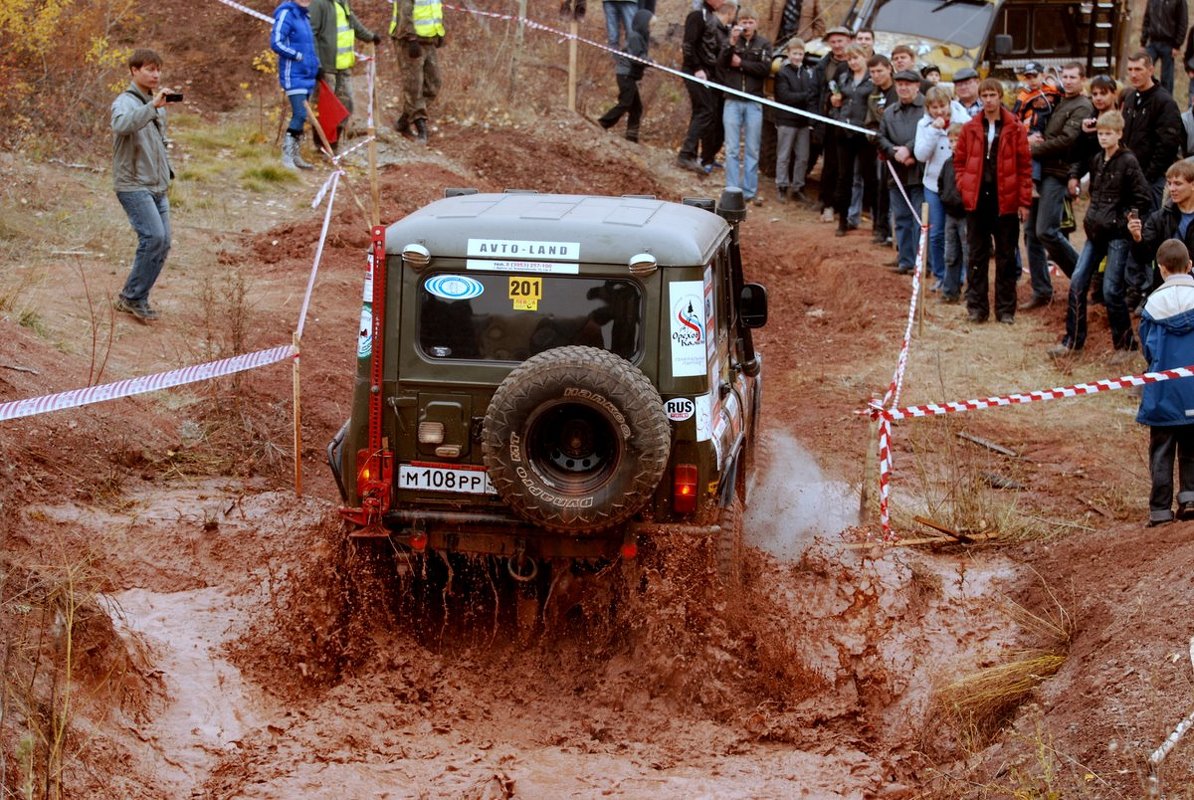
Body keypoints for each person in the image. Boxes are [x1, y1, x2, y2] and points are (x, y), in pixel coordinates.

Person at [1047, 111, 1151, 358]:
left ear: (1119, 134)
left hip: (1117, 234)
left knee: (1112, 289)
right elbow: (1092, 188)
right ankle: (1072, 341)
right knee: (1077, 282)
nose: (1104, 138)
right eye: (1101, 133)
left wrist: (1122, 219)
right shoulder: (1096, 160)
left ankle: (1126, 345)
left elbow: (1143, 198)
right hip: (1095, 232)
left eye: (1109, 134)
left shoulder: (1128, 162)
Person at [955, 78, 1032, 324]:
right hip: (977, 200)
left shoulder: (1015, 127)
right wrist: (963, 185)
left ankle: (1006, 309)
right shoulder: (970, 128)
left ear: (1000, 96)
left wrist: (1024, 201)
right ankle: (977, 308)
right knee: (976, 255)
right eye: (984, 95)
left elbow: (1024, 166)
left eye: (992, 95)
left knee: (1006, 256)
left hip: (1005, 199)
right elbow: (959, 161)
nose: (988, 100)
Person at [111, 48, 178, 323]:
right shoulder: (125, 102)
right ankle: (131, 297)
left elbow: (158, 144)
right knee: (154, 238)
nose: (156, 74)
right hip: (133, 184)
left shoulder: (156, 104)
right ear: (134, 71)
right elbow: (121, 125)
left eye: (158, 69)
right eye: (149, 69)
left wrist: (167, 173)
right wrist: (151, 108)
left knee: (162, 243)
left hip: (156, 185)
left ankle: (138, 297)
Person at [1022, 62, 1093, 310]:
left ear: (1083, 79)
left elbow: (1067, 140)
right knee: (1031, 233)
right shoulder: (1059, 99)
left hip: (1057, 172)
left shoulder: (1083, 105)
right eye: (1065, 76)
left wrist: (1034, 147)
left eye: (1074, 76)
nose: (1069, 80)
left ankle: (1084, 276)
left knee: (1047, 230)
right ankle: (1041, 290)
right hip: (1041, 170)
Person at [1135, 238, 1194, 526]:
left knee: (1161, 450)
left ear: (1161, 270)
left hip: (1162, 391)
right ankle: (1191, 496)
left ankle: (1160, 510)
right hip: (1193, 390)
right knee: (1192, 445)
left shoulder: (1152, 306)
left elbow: (1148, 347)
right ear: (1191, 266)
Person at [1123, 49, 1184, 305]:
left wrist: (1147, 178)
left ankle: (1148, 290)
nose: (1134, 74)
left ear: (1150, 69)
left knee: (1150, 233)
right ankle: (1133, 288)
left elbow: (1168, 144)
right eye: (1130, 70)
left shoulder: (1164, 102)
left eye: (1139, 69)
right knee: (1132, 233)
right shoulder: (1129, 98)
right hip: (1129, 180)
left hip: (1151, 180)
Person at [309, 0, 379, 148]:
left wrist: (370, 36)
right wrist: (316, 63)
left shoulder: (341, 2)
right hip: (326, 66)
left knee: (346, 106)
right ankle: (322, 146)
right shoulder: (319, 4)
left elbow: (351, 22)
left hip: (343, 66)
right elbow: (311, 34)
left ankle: (333, 144)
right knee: (325, 108)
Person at [717, 7, 771, 204]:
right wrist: (731, 43)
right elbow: (721, 63)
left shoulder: (764, 43)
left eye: (750, 22)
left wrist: (741, 64)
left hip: (754, 100)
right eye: (743, 21)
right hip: (732, 99)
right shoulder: (731, 41)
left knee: (752, 148)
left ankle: (749, 190)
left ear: (756, 23)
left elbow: (764, 69)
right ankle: (732, 188)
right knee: (731, 147)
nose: (746, 26)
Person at [878, 69, 925, 274]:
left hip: (920, 173)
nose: (903, 88)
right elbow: (880, 136)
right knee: (901, 218)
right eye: (900, 84)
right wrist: (892, 151)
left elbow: (930, 131)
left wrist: (909, 149)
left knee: (919, 220)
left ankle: (921, 263)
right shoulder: (889, 112)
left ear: (917, 86)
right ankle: (905, 260)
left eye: (908, 84)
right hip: (896, 174)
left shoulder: (926, 109)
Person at [1129, 160, 1194, 292]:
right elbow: (1144, 257)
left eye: (1178, 184)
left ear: (1192, 185)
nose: (1172, 189)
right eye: (1169, 184)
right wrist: (1137, 238)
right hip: (1166, 289)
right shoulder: (1159, 218)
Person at [677, 0, 726, 173]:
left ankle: (690, 154)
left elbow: (711, 46)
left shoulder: (711, 16)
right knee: (705, 110)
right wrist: (697, 68)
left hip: (707, 71)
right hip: (694, 70)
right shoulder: (697, 15)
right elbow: (688, 44)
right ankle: (685, 154)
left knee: (703, 110)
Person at [829, 45, 873, 235]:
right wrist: (836, 112)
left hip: (864, 134)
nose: (853, 62)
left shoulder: (873, 80)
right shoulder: (844, 77)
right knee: (843, 177)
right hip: (844, 132)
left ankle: (877, 223)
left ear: (865, 57)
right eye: (850, 59)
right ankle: (842, 221)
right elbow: (837, 101)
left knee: (868, 177)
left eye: (856, 57)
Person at [271, 0, 320, 169]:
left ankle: (296, 156)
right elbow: (276, 42)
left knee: (303, 116)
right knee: (299, 113)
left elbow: (310, 48)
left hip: (307, 73)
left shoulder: (305, 17)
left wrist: (315, 63)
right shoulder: (286, 13)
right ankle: (287, 157)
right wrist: (297, 56)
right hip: (293, 74)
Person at [914, 85, 954, 290]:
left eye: (943, 106)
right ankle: (941, 275)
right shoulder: (924, 125)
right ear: (928, 108)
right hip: (933, 184)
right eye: (935, 107)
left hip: (956, 185)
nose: (939, 111)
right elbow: (920, 154)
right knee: (937, 232)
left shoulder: (960, 120)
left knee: (956, 233)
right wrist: (933, 131)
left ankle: (958, 275)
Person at [390, 0, 445, 144]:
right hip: (410, 41)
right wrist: (411, 37)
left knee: (434, 83)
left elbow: (434, 9)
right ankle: (421, 127)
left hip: (429, 40)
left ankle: (404, 120)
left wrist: (439, 32)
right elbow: (405, 12)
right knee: (414, 87)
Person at [815, 26, 852, 223]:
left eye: (841, 41)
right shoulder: (823, 64)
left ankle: (846, 207)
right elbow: (819, 91)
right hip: (831, 119)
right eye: (834, 41)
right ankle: (827, 204)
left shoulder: (857, 60)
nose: (837, 45)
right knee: (830, 164)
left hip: (854, 121)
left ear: (849, 41)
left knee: (848, 168)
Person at [598, 9, 652, 142]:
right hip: (625, 74)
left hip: (629, 76)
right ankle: (603, 122)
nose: (651, 28)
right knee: (625, 103)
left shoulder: (640, 37)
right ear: (643, 23)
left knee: (636, 107)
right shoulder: (634, 37)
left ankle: (632, 136)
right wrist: (649, 61)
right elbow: (636, 57)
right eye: (649, 24)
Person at [774, 38, 817, 204]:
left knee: (803, 157)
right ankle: (782, 186)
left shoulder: (807, 73)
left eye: (800, 54)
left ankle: (798, 187)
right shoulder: (782, 73)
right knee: (783, 156)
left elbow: (812, 94)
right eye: (795, 53)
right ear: (788, 54)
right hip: (786, 120)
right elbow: (785, 97)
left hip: (803, 122)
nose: (797, 57)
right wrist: (807, 96)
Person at [866, 54, 897, 246]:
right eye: (873, 72)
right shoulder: (874, 94)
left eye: (880, 71)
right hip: (881, 148)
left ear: (889, 69)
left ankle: (895, 233)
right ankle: (881, 228)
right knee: (881, 187)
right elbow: (869, 120)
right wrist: (872, 134)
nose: (876, 75)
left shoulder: (898, 90)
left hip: (900, 146)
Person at [937, 122, 967, 303]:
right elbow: (941, 184)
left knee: (969, 254)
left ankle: (972, 292)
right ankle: (950, 291)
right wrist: (944, 198)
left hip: (966, 215)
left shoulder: (971, 163)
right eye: (951, 140)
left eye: (958, 140)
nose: (954, 144)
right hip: (950, 214)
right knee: (950, 254)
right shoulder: (948, 163)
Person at [1142, 0, 1188, 95]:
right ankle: (1147, 98)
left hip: (1169, 44)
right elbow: (1147, 19)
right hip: (1152, 42)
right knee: (1145, 70)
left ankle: (1166, 103)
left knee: (1167, 78)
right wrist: (1143, 42)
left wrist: (1177, 45)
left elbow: (1182, 22)